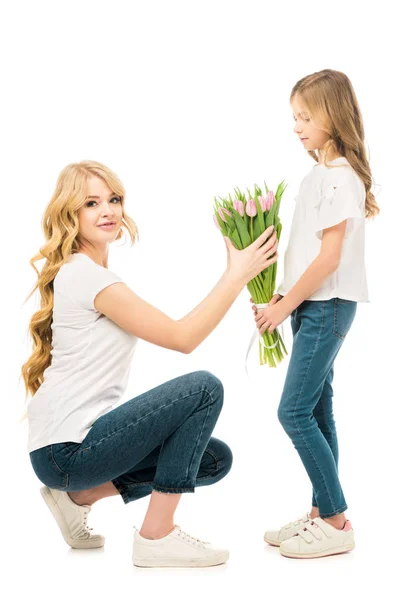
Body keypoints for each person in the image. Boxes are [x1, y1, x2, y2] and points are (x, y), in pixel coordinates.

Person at [21, 160, 279, 568]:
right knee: (203, 389)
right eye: (91, 203)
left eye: (114, 199)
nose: (107, 210)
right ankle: (156, 537)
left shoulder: (91, 275)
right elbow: (183, 338)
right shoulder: (86, 276)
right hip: (66, 451)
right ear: (70, 213)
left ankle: (78, 497)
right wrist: (237, 275)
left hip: (68, 455)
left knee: (212, 459)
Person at [251, 69, 379, 559]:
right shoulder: (318, 175)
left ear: (334, 115)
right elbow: (305, 253)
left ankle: (335, 518)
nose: (297, 126)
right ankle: (320, 513)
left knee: (293, 410)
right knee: (317, 408)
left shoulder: (341, 178)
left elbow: (328, 259)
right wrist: (279, 294)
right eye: (294, 117)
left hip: (325, 306)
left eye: (306, 116)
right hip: (311, 304)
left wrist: (283, 306)